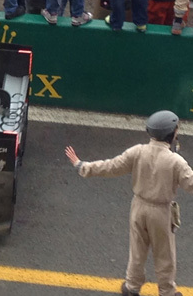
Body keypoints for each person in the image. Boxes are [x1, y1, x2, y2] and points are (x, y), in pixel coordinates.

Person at [65, 110, 193, 296]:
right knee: (165, 256)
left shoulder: (137, 152)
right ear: (172, 134)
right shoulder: (176, 161)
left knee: (137, 252)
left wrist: (82, 166)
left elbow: (111, 166)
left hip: (138, 207)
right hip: (161, 211)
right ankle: (167, 291)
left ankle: (132, 287)